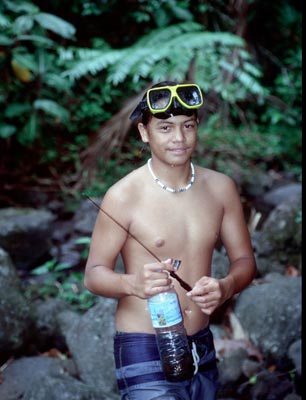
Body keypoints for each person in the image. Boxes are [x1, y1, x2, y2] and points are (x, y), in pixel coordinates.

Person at [84, 81, 257, 400]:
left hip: (201, 345)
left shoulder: (221, 188)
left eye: (187, 126)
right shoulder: (123, 196)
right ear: (144, 133)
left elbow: (245, 262)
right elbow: (93, 274)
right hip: (144, 346)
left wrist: (226, 287)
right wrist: (133, 284)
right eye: (165, 128)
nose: (179, 138)